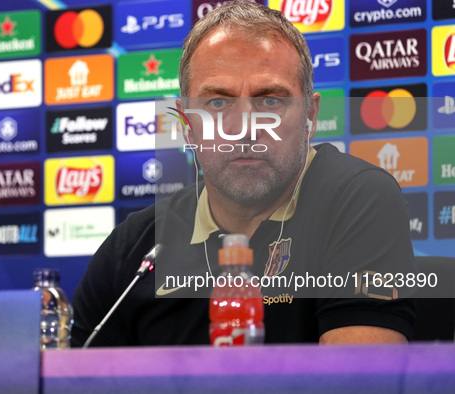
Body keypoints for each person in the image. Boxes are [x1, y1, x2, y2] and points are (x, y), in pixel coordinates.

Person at [71, 1, 416, 347]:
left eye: (270, 101)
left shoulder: (358, 199)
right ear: (188, 125)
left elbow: (360, 381)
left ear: (310, 118)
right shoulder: (133, 251)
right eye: (218, 103)